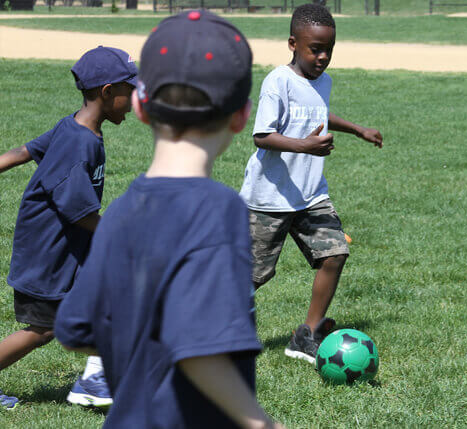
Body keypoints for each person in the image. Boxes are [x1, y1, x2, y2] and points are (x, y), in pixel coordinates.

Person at [55, 10, 282, 428]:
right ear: (241, 115)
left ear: (141, 106)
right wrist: (260, 422)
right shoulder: (218, 208)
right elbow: (198, 348)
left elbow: (75, 327)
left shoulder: (121, 211)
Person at [239, 3, 383, 364]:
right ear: (293, 44)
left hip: (310, 195)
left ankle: (307, 333)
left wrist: (357, 129)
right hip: (269, 198)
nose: (322, 57)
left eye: (328, 50)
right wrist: (306, 145)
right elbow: (262, 136)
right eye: (314, 49)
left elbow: (319, 112)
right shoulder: (278, 81)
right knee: (252, 277)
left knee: (334, 253)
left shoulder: (324, 81)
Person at [0, 46, 137, 409]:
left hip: (68, 249)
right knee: (40, 331)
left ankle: (103, 372)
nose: (135, 98)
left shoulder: (73, 126)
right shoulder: (79, 143)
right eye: (130, 90)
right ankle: (98, 379)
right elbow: (78, 212)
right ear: (108, 92)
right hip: (49, 254)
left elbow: (23, 152)